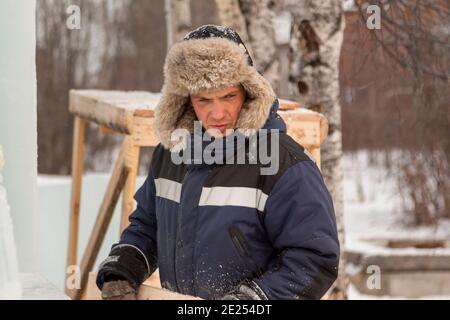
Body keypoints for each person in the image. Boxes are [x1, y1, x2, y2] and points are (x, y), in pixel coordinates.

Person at [96, 25, 339, 300]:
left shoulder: (285, 164)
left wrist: (250, 301)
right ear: (186, 100)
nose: (218, 113)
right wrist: (122, 269)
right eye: (204, 100)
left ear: (248, 92)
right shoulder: (172, 153)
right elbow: (148, 226)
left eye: (228, 96)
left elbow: (314, 257)